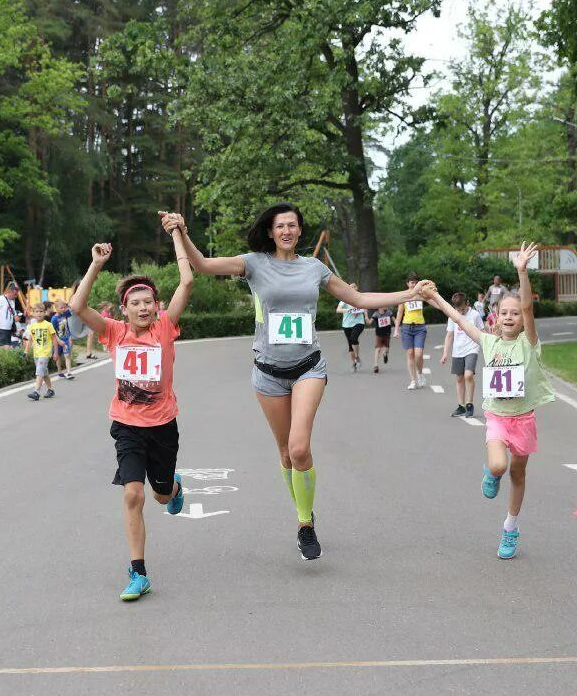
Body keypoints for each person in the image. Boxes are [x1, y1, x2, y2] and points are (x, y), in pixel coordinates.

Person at [163, 203, 427, 560]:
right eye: (279, 226)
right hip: (268, 373)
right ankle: (304, 511)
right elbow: (205, 266)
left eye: (292, 225)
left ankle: (305, 524)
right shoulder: (254, 263)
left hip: (308, 367)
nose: (286, 230)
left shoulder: (314, 268)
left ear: (300, 231)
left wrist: (410, 295)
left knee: (300, 448)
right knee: (286, 453)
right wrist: (182, 232)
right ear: (270, 232)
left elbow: (359, 299)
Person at [70, 232, 193, 602]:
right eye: (135, 303)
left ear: (156, 306)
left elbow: (187, 280)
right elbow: (77, 307)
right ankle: (138, 572)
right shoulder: (113, 333)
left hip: (162, 426)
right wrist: (96, 264)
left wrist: (176, 234)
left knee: (159, 496)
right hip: (127, 426)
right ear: (123, 310)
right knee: (132, 496)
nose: (143, 308)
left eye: (148, 302)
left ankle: (172, 486)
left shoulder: (165, 328)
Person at [421, 242, 555, 560]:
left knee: (518, 475)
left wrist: (521, 271)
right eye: (504, 313)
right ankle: (490, 472)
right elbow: (458, 318)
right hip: (497, 416)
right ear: (496, 317)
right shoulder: (489, 341)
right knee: (499, 465)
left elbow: (528, 308)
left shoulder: (529, 343)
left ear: (521, 320)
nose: (510, 317)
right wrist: (435, 297)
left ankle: (510, 528)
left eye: (515, 314)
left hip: (524, 418)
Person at [441, 292, 485, 418]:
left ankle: (469, 404)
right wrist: (445, 353)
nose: (460, 312)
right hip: (457, 350)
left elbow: (482, 332)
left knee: (468, 375)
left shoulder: (475, 315)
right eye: (458, 310)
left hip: (472, 348)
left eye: (462, 309)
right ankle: (461, 406)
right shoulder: (452, 316)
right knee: (459, 378)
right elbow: (449, 335)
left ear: (467, 303)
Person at [394, 272, 429, 390]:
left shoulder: (421, 294)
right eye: (412, 282)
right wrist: (396, 329)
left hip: (420, 327)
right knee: (410, 354)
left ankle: (420, 374)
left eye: (415, 282)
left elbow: (432, 300)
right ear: (407, 283)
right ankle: (413, 380)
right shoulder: (403, 296)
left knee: (418, 354)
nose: (414, 285)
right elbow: (399, 313)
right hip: (407, 327)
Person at [22, 303, 60, 400]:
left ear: (45, 313)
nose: (39, 313)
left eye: (41, 311)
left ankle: (36, 392)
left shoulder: (48, 325)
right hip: (36, 353)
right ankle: (50, 390)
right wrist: (26, 351)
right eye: (37, 312)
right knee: (44, 373)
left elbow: (54, 339)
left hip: (45, 353)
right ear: (33, 314)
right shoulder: (33, 326)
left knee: (39, 371)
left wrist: (55, 352)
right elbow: (30, 340)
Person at [337, 289, 367, 372]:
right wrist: (349, 310)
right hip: (347, 324)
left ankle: (357, 357)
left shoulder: (360, 298)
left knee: (354, 338)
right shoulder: (345, 299)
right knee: (350, 345)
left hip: (359, 322)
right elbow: (338, 310)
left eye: (354, 289)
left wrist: (366, 317)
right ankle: (354, 362)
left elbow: (365, 307)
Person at [50, 300, 76, 380]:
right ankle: (60, 372)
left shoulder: (65, 314)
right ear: (56, 308)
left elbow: (72, 309)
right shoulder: (54, 319)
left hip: (66, 339)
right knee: (58, 356)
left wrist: (67, 304)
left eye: (64, 307)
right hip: (58, 340)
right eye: (61, 308)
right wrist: (58, 341)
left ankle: (69, 373)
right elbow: (53, 332)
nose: (63, 309)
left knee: (67, 355)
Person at [0, 282, 19, 347]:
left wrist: (16, 321)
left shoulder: (12, 301)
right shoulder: (0, 299)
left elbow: (12, 314)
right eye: (14, 294)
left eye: (16, 295)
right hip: (1, 328)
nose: (15, 296)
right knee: (5, 348)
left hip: (9, 328)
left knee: (8, 348)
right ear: (10, 291)